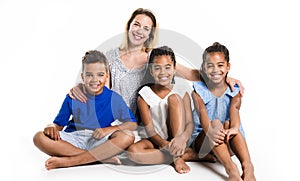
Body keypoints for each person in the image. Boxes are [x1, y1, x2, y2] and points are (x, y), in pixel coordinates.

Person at [70, 8, 245, 123]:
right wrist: (78, 86)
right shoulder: (109, 57)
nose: (140, 31)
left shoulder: (154, 59)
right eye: (136, 24)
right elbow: (97, 85)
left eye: (146, 28)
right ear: (129, 26)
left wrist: (223, 77)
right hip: (114, 120)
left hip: (144, 121)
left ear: (150, 34)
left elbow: (191, 74)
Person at [33, 50, 137, 170]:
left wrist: (107, 130)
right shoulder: (73, 97)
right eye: (89, 75)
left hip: (99, 140)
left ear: (107, 75)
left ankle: (71, 161)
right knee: (39, 137)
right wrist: (51, 126)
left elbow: (132, 124)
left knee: (128, 136)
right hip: (74, 139)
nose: (94, 79)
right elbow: (58, 125)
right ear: (83, 77)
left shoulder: (114, 99)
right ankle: (99, 159)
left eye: (100, 75)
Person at [126, 46, 215, 174]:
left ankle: (177, 156)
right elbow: (150, 130)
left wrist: (182, 138)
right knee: (132, 153)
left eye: (167, 67)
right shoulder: (144, 94)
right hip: (156, 140)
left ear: (174, 69)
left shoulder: (181, 89)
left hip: (178, 139)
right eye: (157, 68)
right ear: (151, 70)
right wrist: (165, 145)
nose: (163, 72)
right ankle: (185, 155)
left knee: (174, 99)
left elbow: (189, 124)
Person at [187, 42, 260, 181]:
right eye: (210, 65)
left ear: (228, 67)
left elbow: (235, 110)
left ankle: (248, 167)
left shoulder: (235, 90)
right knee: (216, 123)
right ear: (204, 68)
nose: (215, 70)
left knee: (228, 124)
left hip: (228, 141)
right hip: (203, 142)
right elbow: (203, 115)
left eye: (220, 65)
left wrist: (233, 128)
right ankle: (231, 169)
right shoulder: (198, 91)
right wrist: (212, 130)